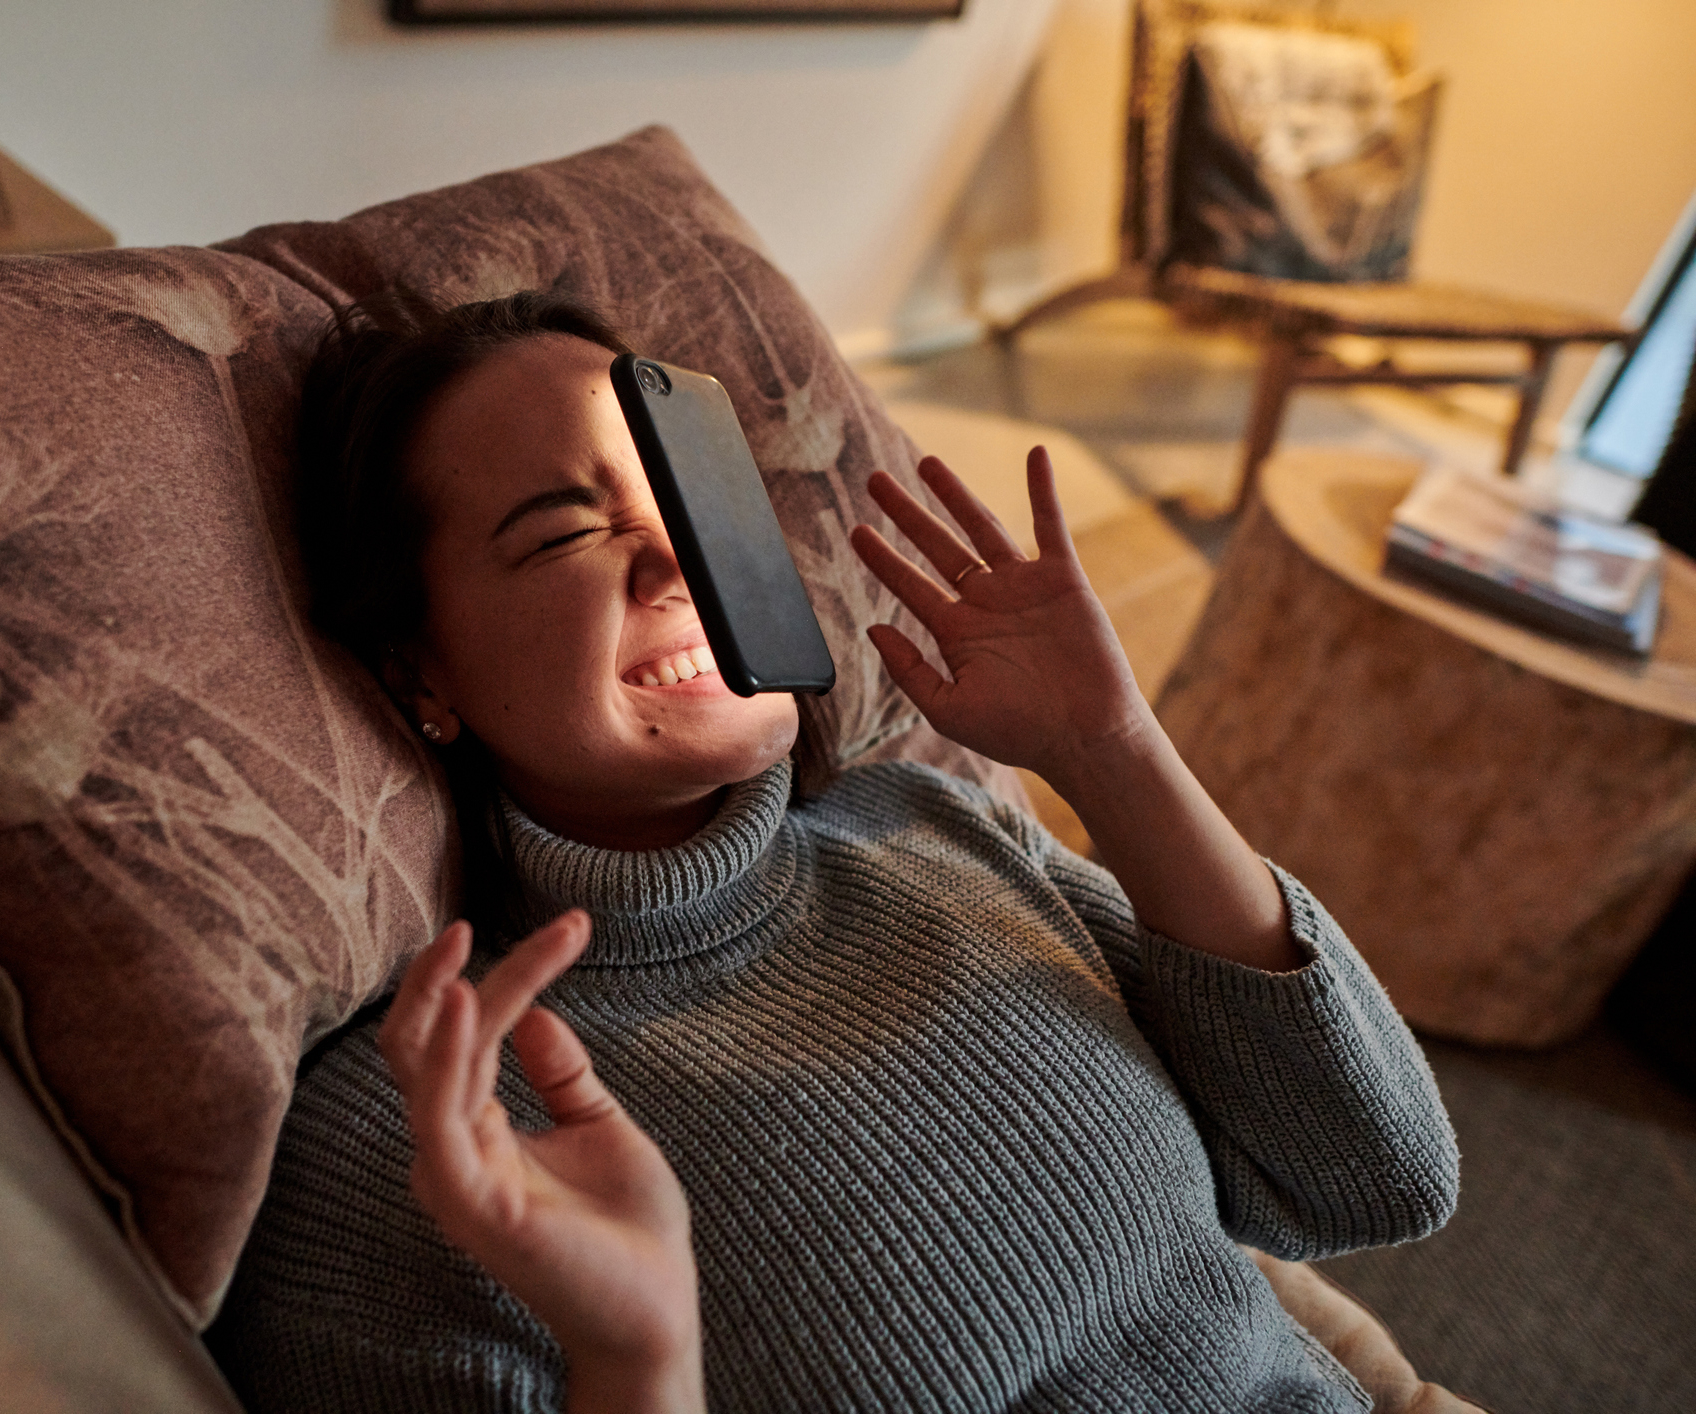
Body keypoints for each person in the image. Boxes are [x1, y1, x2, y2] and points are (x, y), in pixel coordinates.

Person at [203, 290, 1460, 1413]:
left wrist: (1116, 751)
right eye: (564, 533)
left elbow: (1377, 1179)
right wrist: (637, 1364)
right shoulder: (416, 1132)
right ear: (419, 674)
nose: (673, 558)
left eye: (686, 501)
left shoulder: (935, 828)